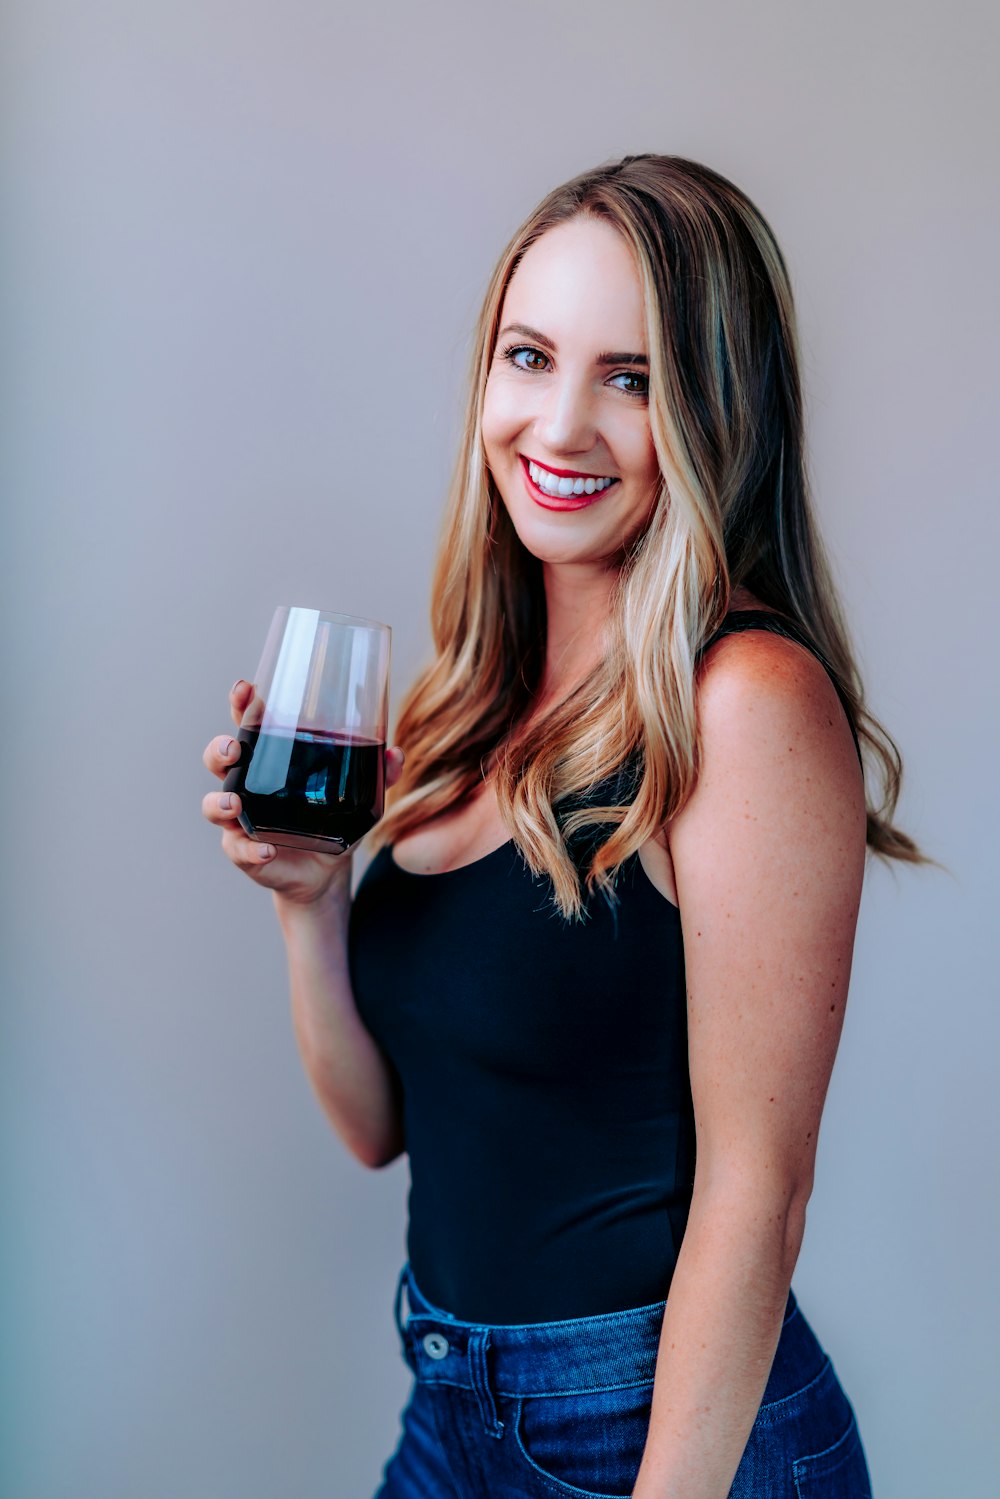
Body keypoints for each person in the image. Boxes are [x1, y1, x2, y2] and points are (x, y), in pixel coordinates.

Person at [203, 155, 926, 1497]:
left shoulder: (746, 701)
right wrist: (310, 901)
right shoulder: (466, 703)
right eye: (531, 356)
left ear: (718, 414)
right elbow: (385, 1130)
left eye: (633, 378)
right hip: (455, 1409)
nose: (561, 424)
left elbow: (757, 1198)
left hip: (659, 1433)